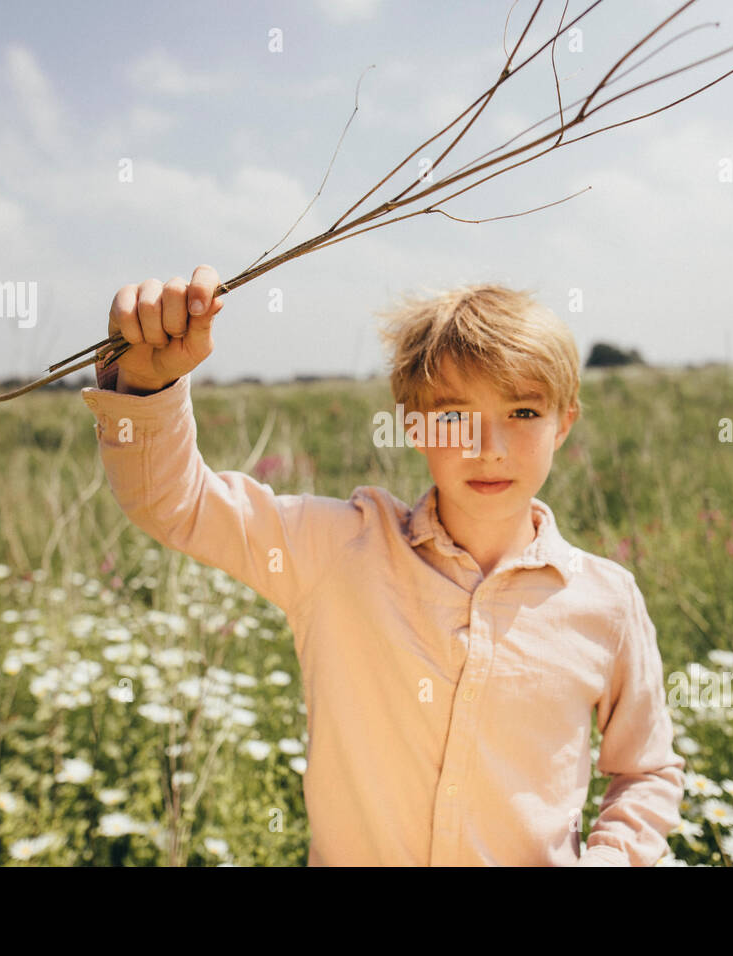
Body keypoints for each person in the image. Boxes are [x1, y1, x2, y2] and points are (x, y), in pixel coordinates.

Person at [80, 264, 685, 865]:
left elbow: (646, 770)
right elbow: (174, 503)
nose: (489, 447)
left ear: (564, 423)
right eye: (453, 416)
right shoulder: (337, 550)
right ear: (412, 425)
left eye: (523, 413)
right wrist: (146, 387)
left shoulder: (605, 601)